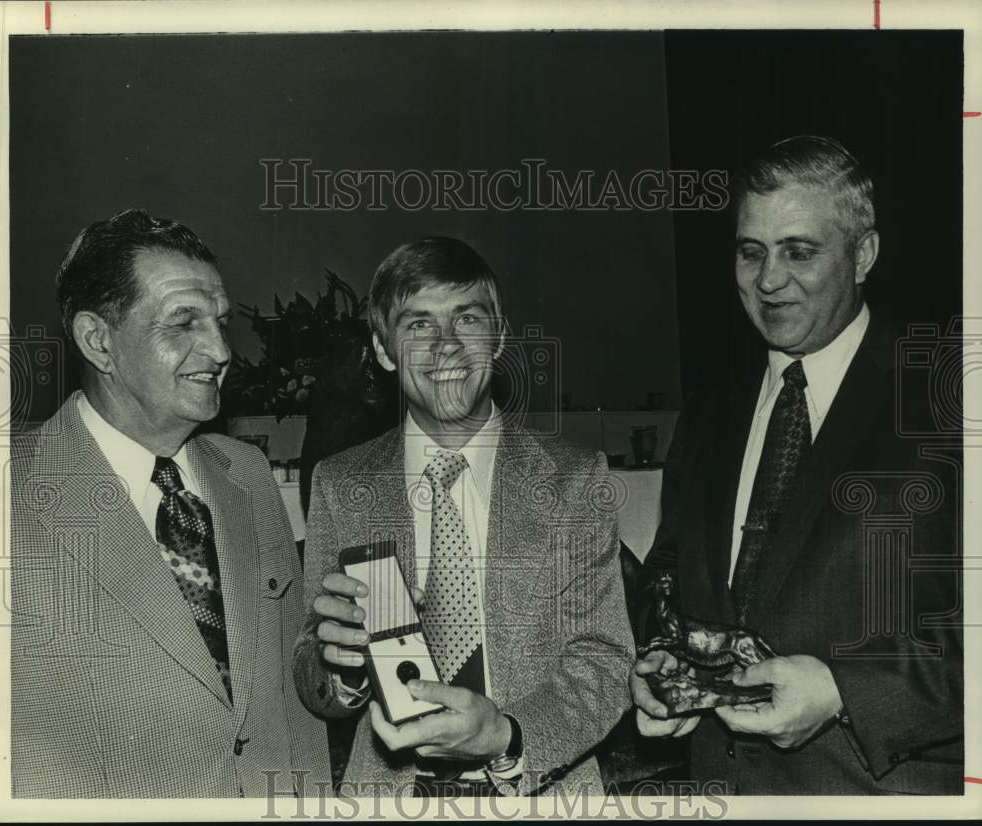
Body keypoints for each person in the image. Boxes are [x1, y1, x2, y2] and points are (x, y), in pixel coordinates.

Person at [630, 136, 962, 794]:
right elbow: (669, 575)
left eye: (799, 251)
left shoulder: (944, 404)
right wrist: (661, 664)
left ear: (863, 253)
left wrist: (843, 691)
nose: (768, 279)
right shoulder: (708, 413)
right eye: (750, 252)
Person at [292, 236, 634, 797]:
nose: (446, 346)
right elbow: (311, 663)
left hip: (540, 789)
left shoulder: (573, 480)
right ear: (383, 350)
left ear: (498, 337)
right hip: (387, 796)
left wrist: (506, 736)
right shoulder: (341, 483)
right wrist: (344, 670)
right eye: (419, 324)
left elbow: (604, 657)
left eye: (466, 319)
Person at [10, 209, 330, 797]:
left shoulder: (250, 474)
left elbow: (285, 693)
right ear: (97, 340)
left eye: (220, 322)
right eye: (183, 323)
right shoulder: (7, 494)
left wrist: (337, 659)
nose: (218, 348)